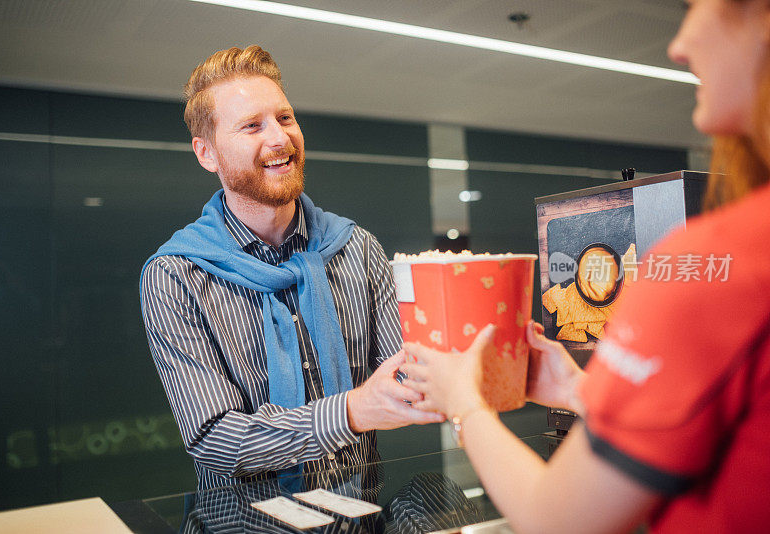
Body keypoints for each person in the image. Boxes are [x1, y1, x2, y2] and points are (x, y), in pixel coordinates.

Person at [401, 1, 770, 532]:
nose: (679, 42)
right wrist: (581, 392)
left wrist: (464, 404)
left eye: (696, 6)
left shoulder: (703, 267)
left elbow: (561, 520)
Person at [140, 45, 441, 490]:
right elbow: (214, 438)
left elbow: (406, 376)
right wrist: (351, 411)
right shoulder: (175, 275)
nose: (279, 139)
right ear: (207, 154)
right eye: (251, 126)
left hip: (363, 507)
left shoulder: (357, 247)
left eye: (284, 118)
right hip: (245, 517)